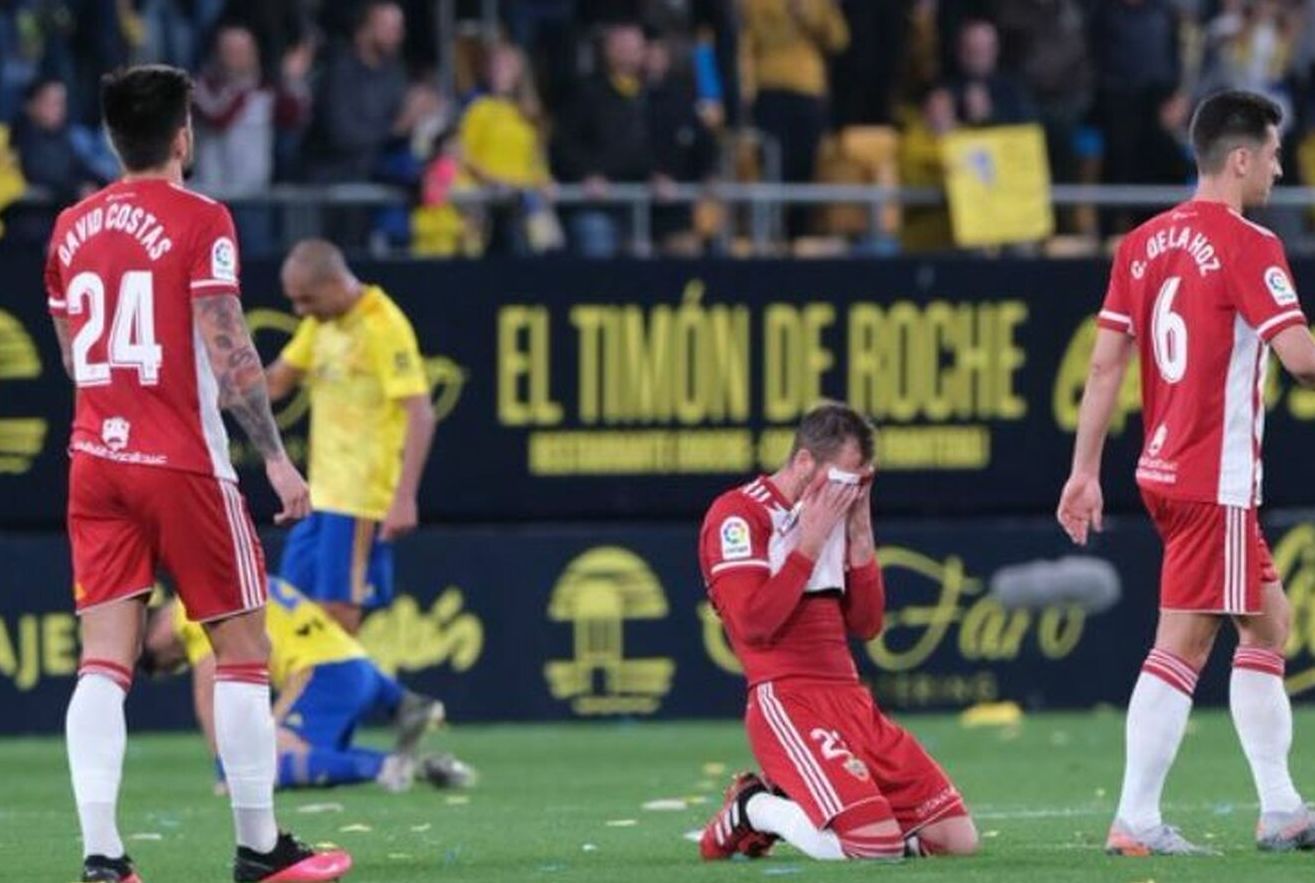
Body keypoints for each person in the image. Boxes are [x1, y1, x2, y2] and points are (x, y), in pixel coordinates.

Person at [43, 65, 350, 883]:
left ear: (114, 138)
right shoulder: (201, 219)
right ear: (184, 135)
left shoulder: (69, 228)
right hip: (181, 458)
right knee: (243, 647)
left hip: (95, 458)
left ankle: (103, 860)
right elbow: (230, 345)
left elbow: (76, 354)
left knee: (103, 662)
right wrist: (278, 461)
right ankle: (259, 848)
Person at [1058, 90, 1315, 856]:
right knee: (1183, 645)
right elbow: (1300, 359)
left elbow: (1104, 366)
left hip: (1163, 467)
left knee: (1269, 622)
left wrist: (1082, 473)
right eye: (1270, 152)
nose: (1276, 164)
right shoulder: (1247, 245)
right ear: (1239, 158)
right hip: (1214, 476)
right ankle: (1135, 819)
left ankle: (1281, 808)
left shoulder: (1140, 242)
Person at [696, 402, 978, 861]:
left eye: (862, 480)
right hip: (789, 700)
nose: (850, 491)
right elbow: (753, 626)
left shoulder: (833, 514)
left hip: (850, 699)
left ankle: (818, 806)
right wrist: (809, 542)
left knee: (955, 841)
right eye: (845, 478)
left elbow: (866, 625)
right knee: (874, 847)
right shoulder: (739, 514)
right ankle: (754, 808)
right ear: (805, 462)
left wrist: (861, 535)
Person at [141, 578, 476, 794]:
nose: (176, 663)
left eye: (161, 662)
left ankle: (387, 767)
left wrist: (226, 766)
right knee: (311, 753)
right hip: (359, 664)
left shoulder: (192, 610)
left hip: (321, 673)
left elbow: (208, 691)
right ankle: (407, 715)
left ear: (152, 634)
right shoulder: (242, 578)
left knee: (266, 761)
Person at [265, 239, 435, 635]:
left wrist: (405, 498)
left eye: (306, 300)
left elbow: (421, 413)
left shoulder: (382, 324)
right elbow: (274, 384)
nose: (299, 311)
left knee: (339, 618)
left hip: (361, 499)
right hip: (319, 498)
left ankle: (372, 698)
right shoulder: (319, 325)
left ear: (335, 284)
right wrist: (203, 387)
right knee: (292, 614)